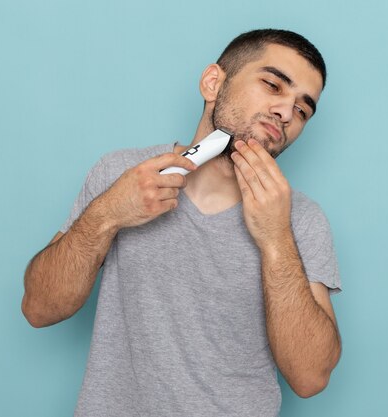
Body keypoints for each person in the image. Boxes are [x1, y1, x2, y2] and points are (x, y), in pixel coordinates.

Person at [22, 28, 342, 417]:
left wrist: (275, 238)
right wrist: (107, 214)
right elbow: (38, 308)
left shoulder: (302, 221)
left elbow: (310, 378)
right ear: (213, 83)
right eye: (273, 85)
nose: (286, 113)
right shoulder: (122, 174)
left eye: (302, 110)